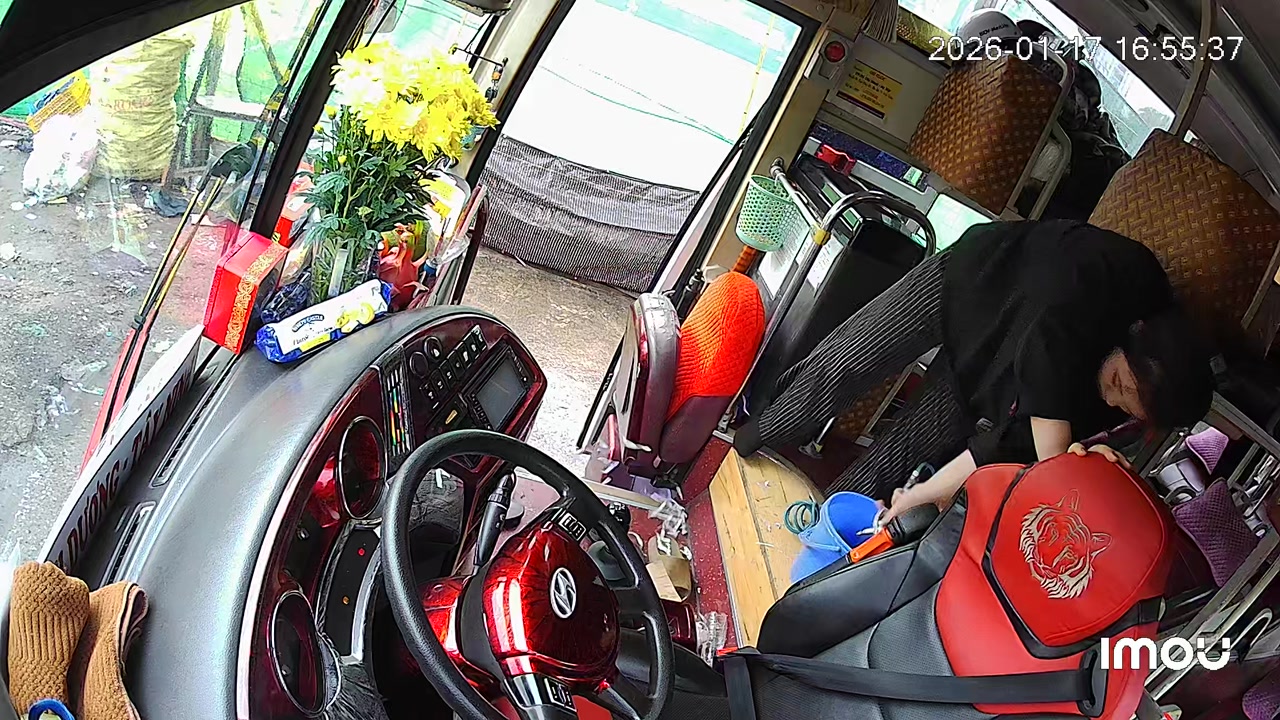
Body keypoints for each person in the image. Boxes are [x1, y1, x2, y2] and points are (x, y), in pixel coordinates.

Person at [733, 219, 1215, 517]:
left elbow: (1003, 445)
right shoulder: (1130, 276)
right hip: (973, 280)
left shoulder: (1108, 403)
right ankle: (743, 444)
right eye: (1120, 384)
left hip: (991, 379)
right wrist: (1057, 463)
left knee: (905, 461)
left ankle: (817, 530)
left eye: (1125, 406)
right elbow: (1053, 322)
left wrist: (922, 495)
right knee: (846, 363)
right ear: (1136, 335)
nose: (1111, 399)